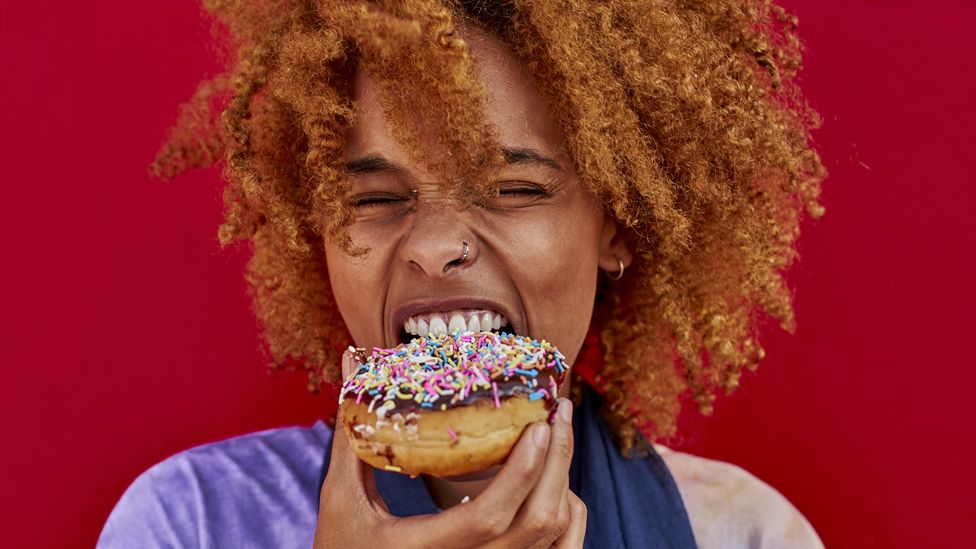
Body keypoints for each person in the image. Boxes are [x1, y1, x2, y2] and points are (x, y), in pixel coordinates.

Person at [99, 1, 827, 547]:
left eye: (513, 189)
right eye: (376, 198)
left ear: (617, 226)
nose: (437, 245)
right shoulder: (185, 521)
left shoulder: (747, 533)